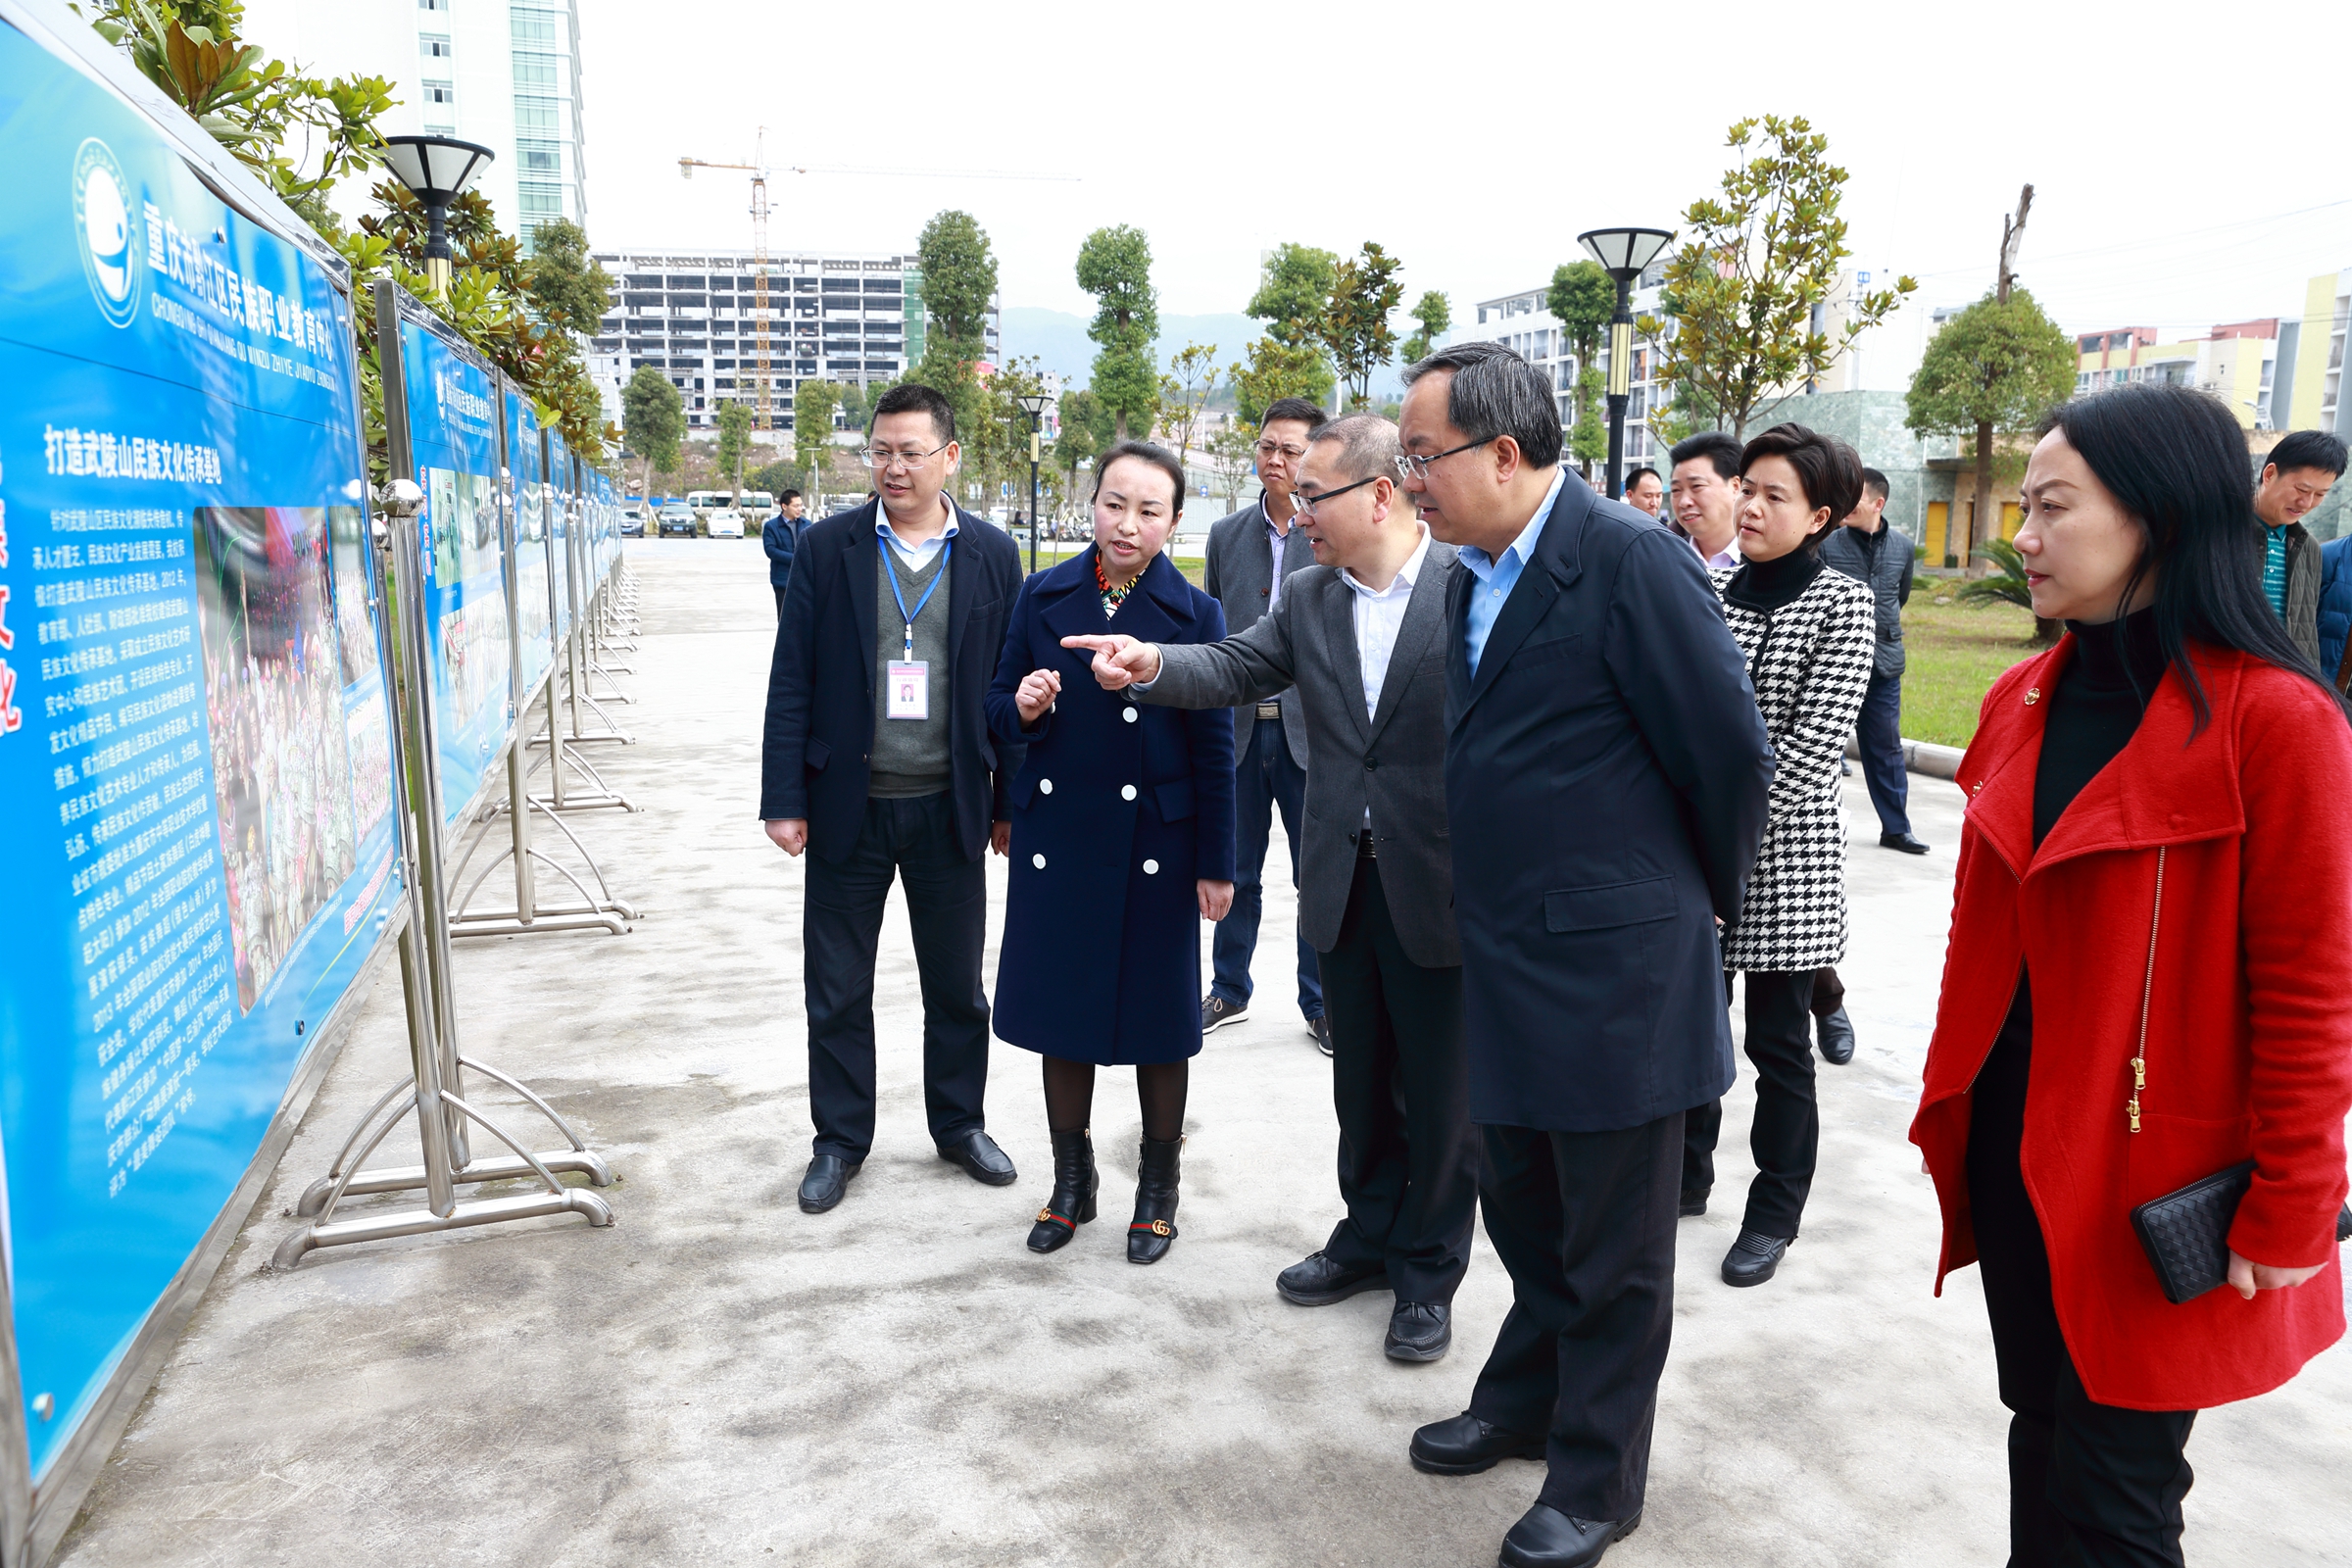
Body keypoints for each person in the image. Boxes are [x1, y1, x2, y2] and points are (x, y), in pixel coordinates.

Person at [1912, 382, 2352, 1568]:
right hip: (2017, 1145)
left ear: (2156, 516)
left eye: (2053, 507)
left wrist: (2298, 1195)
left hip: (2157, 1168)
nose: (2023, 537)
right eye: (2024, 506)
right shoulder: (2020, 699)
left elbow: (2314, 987)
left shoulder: (2279, 722)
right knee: (2040, 1424)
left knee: (2118, 1494)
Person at [1396, 342, 1773, 1568]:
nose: (1410, 480)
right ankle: (1527, 1397)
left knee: (1615, 1248)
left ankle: (1600, 1477)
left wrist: (1687, 910)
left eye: (1423, 456)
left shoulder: (1629, 558)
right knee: (1526, 1205)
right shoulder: (1467, 572)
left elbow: (1728, 755)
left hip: (1619, 973)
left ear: (1504, 453)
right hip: (1505, 957)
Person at [1068, 415, 1478, 1362]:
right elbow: (1238, 664)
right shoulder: (1309, 594)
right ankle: (1367, 1236)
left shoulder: (1468, 586)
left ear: (1382, 494)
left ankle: (1428, 1272)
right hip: (1341, 875)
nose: (1298, 508)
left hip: (1442, 881)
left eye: (1316, 493)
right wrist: (1152, 663)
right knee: (1360, 1081)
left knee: (1441, 1093)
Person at [759, 383, 1026, 1214]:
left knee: (957, 989)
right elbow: (792, 677)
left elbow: (1011, 686)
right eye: (881, 451)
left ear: (950, 456)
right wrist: (783, 797)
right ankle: (840, 1140)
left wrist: (1009, 803)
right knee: (838, 989)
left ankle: (960, 1124)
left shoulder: (992, 554)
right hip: (850, 804)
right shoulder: (828, 546)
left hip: (951, 805)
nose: (893, 467)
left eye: (911, 452)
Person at [987, 442, 1235, 1265]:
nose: (1127, 524)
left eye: (1149, 510)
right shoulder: (1043, 593)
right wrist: (1026, 706)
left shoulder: (1197, 613)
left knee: (1160, 1025)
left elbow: (1214, 749)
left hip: (1156, 844)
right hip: (1060, 838)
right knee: (1064, 1016)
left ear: (1174, 520)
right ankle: (1072, 1183)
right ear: (1091, 504)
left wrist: (1218, 862)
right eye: (1114, 504)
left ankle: (1157, 1192)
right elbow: (996, 704)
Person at [1678, 426, 1875, 1288]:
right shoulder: (1707, 591)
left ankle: (1774, 1212)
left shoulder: (1842, 605)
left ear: (1820, 516)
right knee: (1689, 1031)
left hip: (1785, 861)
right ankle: (1684, 1178)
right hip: (1692, 853)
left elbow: (1808, 750)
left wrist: (1720, 845)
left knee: (1778, 1046)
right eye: (1746, 489)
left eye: (1774, 496)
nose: (1751, 507)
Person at [1197, 396, 1329, 1051]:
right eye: (1267, 446)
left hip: (1311, 731)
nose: (1275, 459)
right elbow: (1214, 631)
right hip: (1241, 729)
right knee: (1235, 866)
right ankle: (1229, 988)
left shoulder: (1329, 528)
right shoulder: (1226, 535)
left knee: (1316, 873)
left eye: (1291, 449)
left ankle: (1321, 1000)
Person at [1822, 467, 1927, 857]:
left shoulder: (1902, 547)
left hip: (1884, 663)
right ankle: (1821, 827)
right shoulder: (1827, 545)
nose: (1846, 504)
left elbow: (1900, 596)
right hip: (1835, 661)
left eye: (1856, 497)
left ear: (1878, 503)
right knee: (1824, 747)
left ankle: (1896, 829)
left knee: (1886, 747)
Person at [2250, 428, 2346, 664]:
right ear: (2269, 474)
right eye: (2302, 490)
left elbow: (2306, 633)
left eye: (2320, 494)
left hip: (2285, 678)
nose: (2306, 503)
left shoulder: (2309, 549)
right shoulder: (2219, 532)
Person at [1668, 431, 1743, 568]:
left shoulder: (1769, 558)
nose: (1684, 502)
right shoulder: (1663, 559)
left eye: (1696, 486)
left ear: (1735, 486)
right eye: (1676, 490)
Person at [760, 488, 807, 619]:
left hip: (804, 579)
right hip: (782, 579)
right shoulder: (772, 526)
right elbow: (771, 551)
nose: (799, 509)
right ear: (784, 506)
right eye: (795, 506)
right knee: (784, 618)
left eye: (801, 505)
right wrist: (795, 559)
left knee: (804, 618)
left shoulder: (806, 524)